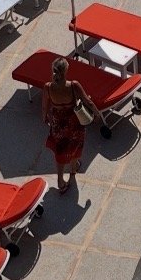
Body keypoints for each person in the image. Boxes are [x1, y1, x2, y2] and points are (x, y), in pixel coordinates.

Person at [43, 56, 99, 194]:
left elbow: (45, 106)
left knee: (60, 150)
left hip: (58, 122)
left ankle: (60, 181)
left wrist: (45, 117)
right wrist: (97, 114)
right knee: (75, 145)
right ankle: (73, 170)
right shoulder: (73, 85)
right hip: (74, 122)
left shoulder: (48, 87)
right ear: (66, 71)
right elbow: (88, 102)